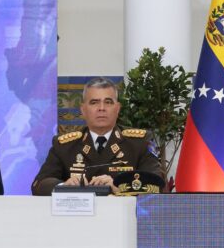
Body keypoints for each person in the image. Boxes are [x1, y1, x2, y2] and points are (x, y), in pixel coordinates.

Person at [31, 77, 163, 195]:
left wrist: (119, 186)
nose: (101, 108)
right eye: (94, 102)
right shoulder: (65, 146)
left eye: (108, 102)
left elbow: (157, 185)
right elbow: (39, 184)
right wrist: (64, 186)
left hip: (123, 219)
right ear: (83, 110)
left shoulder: (138, 143)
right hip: (77, 220)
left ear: (117, 109)